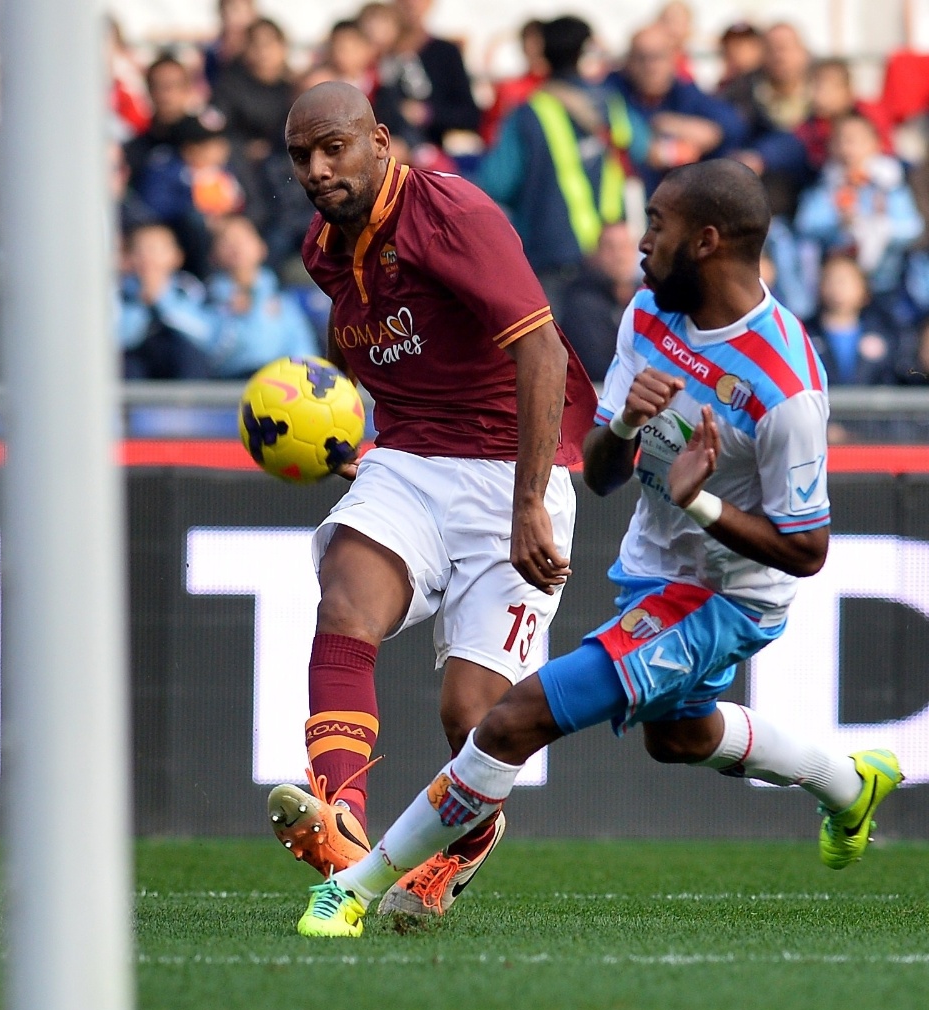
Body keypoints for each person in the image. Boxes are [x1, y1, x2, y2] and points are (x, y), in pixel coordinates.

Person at [296, 161, 900, 937]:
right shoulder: (650, 314)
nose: (639, 243)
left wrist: (700, 500)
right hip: (652, 568)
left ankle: (354, 886)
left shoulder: (786, 386)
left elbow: (808, 549)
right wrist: (619, 428)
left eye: (657, 226)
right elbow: (607, 473)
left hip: (724, 596)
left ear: (707, 241)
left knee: (510, 721)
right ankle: (850, 787)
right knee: (678, 736)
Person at [271, 82, 596, 917]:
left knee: (475, 719)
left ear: (380, 141)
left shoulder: (453, 214)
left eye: (333, 147)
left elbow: (545, 356)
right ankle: (341, 819)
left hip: (510, 472)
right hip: (411, 462)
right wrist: (362, 448)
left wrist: (529, 505)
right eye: (302, 155)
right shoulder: (322, 251)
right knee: (345, 598)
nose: (316, 168)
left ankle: (470, 838)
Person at [480, 16, 648, 293]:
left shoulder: (527, 113)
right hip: (608, 257)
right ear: (584, 53)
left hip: (551, 260)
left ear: (544, 55)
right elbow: (642, 148)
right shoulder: (611, 105)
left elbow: (496, 182)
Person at [794, 112, 923, 299]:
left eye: (856, 140)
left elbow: (912, 227)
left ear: (876, 144)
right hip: (837, 284)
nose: (848, 148)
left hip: (885, 281)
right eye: (841, 140)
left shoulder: (889, 184)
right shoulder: (827, 183)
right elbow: (805, 223)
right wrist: (839, 222)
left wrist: (880, 226)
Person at [609, 24, 744, 191]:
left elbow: (733, 124)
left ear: (673, 60)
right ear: (627, 62)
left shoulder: (684, 91)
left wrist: (674, 125)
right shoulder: (612, 90)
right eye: (641, 58)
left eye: (658, 57)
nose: (651, 67)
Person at [204, 214, 317, 377]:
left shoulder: (283, 301)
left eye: (243, 238)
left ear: (261, 247)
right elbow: (210, 350)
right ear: (213, 255)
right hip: (228, 387)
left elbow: (304, 349)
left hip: (283, 385)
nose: (236, 246)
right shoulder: (208, 300)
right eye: (225, 241)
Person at [723, 22, 813, 218]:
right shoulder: (739, 94)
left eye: (786, 48)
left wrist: (764, 155)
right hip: (765, 203)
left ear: (804, 52)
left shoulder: (825, 91)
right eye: (772, 49)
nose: (780, 56)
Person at [118, 221, 214, 380]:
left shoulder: (186, 288)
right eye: (139, 250)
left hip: (178, 355)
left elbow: (201, 332)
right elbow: (121, 336)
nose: (146, 257)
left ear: (176, 257)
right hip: (137, 355)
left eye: (154, 249)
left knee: (189, 356)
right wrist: (141, 303)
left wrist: (161, 299)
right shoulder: (122, 291)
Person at [387, 0, 483, 147]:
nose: (411, 4)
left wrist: (428, 114)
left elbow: (469, 115)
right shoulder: (375, 53)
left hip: (432, 152)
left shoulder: (446, 52)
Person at [558, 221, 640, 380]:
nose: (620, 256)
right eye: (610, 248)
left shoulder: (650, 299)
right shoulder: (580, 303)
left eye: (625, 247)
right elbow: (595, 365)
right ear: (596, 255)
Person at [212, 18, 294, 169]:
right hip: (242, 162)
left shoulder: (294, 87)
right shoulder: (230, 86)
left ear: (283, 47)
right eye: (255, 45)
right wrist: (244, 148)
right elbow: (218, 126)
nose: (263, 52)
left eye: (269, 44)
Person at [808, 254, 898, 386]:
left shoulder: (887, 333)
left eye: (845, 281)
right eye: (831, 280)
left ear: (863, 288)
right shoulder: (803, 333)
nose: (838, 288)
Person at [124, 55, 201, 179]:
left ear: (187, 89)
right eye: (159, 85)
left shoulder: (205, 140)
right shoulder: (136, 148)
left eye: (174, 84)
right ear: (149, 89)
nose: (167, 92)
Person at [200, 0, 255, 89]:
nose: (241, 18)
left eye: (246, 11)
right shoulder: (211, 52)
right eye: (235, 10)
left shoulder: (258, 51)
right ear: (222, 12)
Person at [717, 22, 764, 90]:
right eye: (729, 45)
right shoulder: (722, 88)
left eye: (741, 45)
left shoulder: (768, 85)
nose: (734, 51)